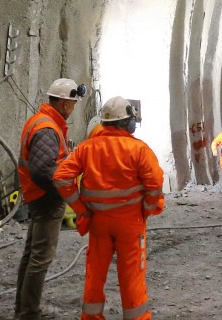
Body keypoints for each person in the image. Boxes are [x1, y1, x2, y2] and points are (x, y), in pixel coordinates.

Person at [55, 96, 164, 320]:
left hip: (98, 222)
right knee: (132, 276)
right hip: (130, 224)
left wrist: (81, 210)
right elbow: (155, 183)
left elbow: (61, 178)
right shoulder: (139, 150)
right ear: (127, 123)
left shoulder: (86, 148)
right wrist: (148, 209)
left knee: (94, 275)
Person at [15, 77, 86, 320]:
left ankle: (23, 309)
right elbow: (44, 170)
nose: (73, 108)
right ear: (65, 104)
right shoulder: (47, 128)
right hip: (46, 199)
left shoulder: (43, 121)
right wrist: (65, 190)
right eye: (73, 104)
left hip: (38, 197)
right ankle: (29, 313)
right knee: (40, 258)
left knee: (31, 255)